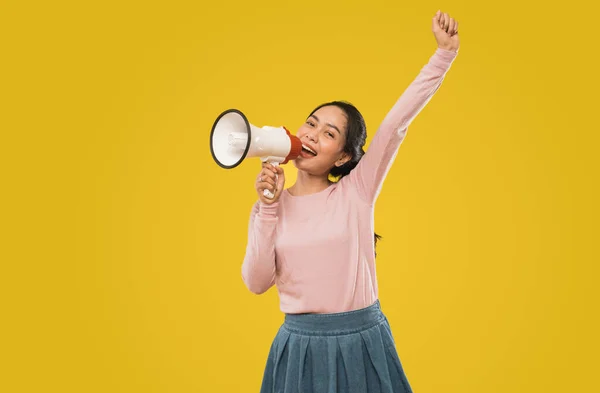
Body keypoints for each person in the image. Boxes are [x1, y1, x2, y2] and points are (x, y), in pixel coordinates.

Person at [241, 10, 460, 393]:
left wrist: (442, 56)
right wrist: (268, 207)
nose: (311, 134)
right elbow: (256, 283)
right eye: (310, 123)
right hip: (299, 349)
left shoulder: (355, 192)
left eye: (329, 133)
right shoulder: (269, 207)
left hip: (361, 341)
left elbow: (395, 125)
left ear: (342, 157)